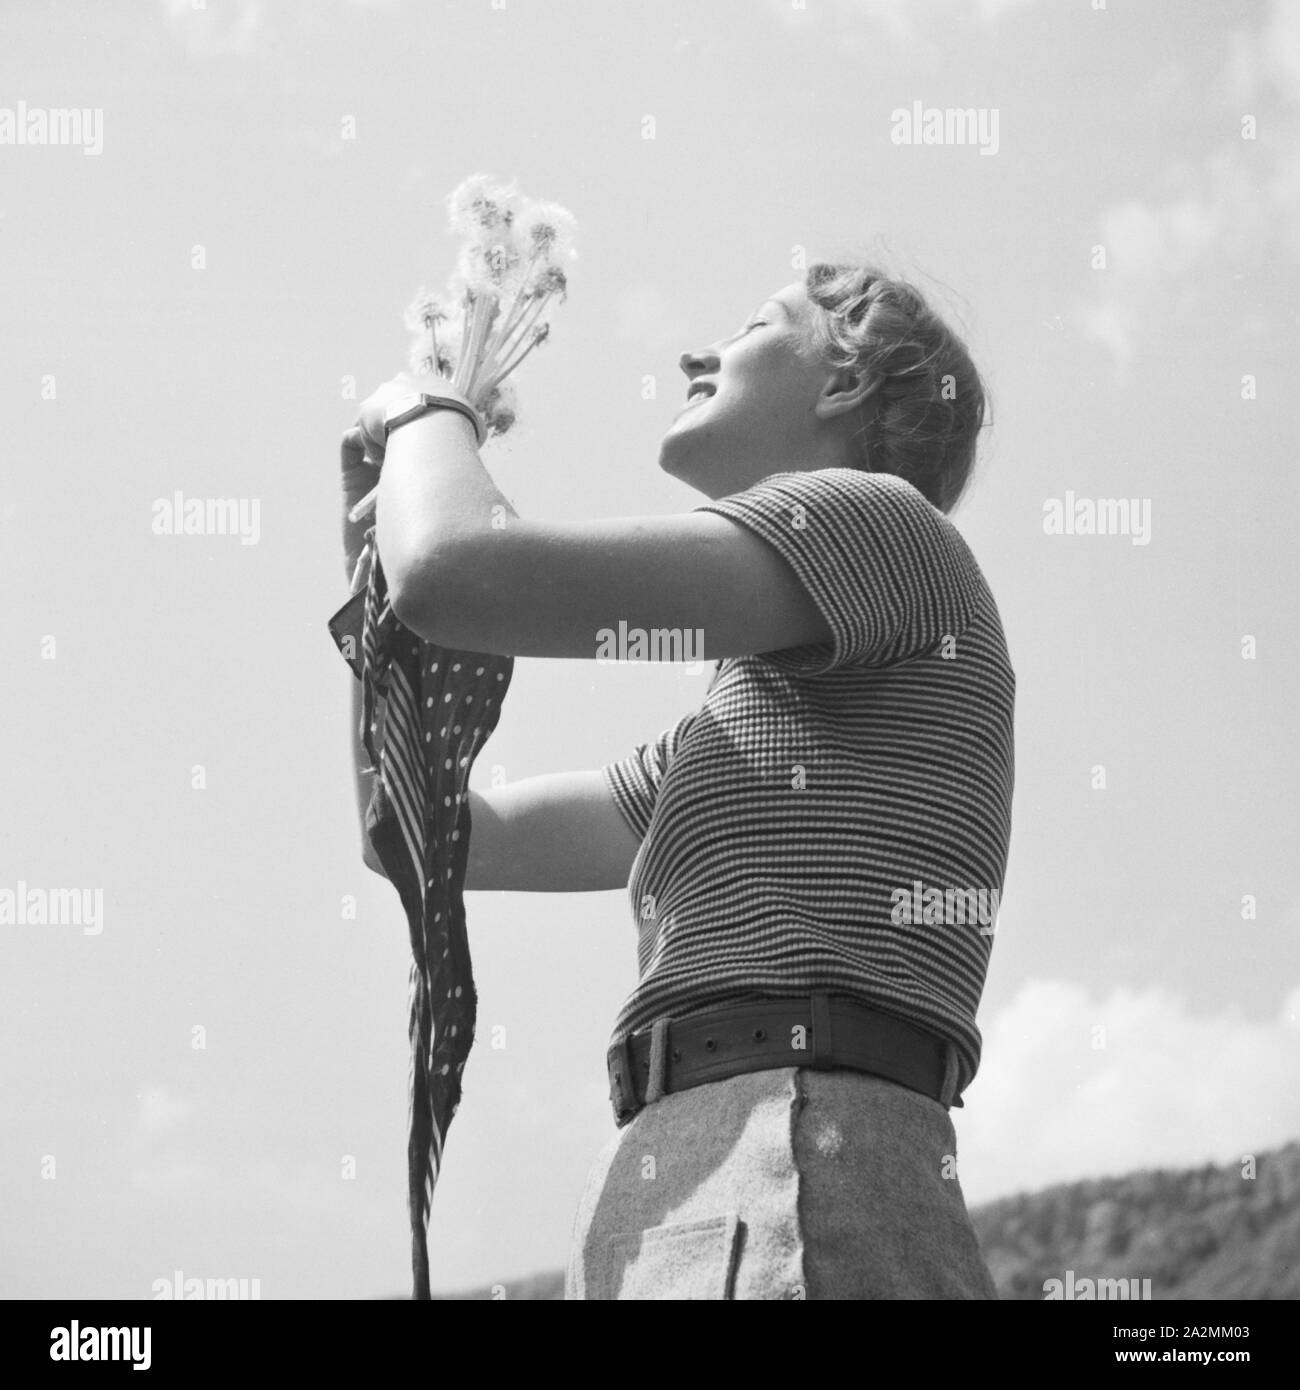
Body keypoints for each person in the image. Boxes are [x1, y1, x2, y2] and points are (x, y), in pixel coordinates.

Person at [339, 261, 1014, 1299]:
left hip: (785, 1146)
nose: (696, 353)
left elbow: (460, 569)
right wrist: (375, 556)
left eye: (753, 324)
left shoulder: (880, 520)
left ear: (841, 385)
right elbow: (433, 835)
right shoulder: (738, 736)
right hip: (695, 1166)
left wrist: (430, 407)